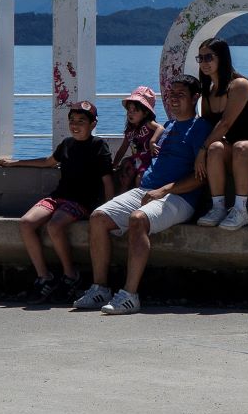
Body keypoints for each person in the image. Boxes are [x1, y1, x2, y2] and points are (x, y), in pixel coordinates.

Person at [76, 76, 212, 316]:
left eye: (181, 94)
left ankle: (129, 295)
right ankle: (100, 288)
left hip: (180, 197)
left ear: (195, 98)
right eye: (171, 94)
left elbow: (201, 177)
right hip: (145, 190)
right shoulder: (168, 126)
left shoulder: (200, 128)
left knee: (138, 219)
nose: (174, 99)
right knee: (98, 217)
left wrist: (165, 190)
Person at [0, 101, 115, 301]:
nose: (75, 125)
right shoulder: (67, 144)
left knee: (55, 225)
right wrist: (14, 163)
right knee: (26, 223)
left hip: (82, 202)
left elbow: (107, 180)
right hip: (58, 197)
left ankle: (71, 275)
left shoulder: (98, 146)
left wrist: (109, 210)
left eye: (81, 121)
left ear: (93, 124)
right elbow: (47, 162)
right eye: (72, 121)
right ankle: (45, 277)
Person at [192, 37, 248, 231]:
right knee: (216, 148)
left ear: (222, 58)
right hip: (235, 153)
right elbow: (210, 129)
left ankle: (241, 211)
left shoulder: (239, 85)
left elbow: (224, 125)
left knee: (240, 147)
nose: (204, 63)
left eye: (209, 57)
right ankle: (218, 208)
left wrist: (201, 151)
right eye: (200, 58)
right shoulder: (208, 93)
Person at [110, 84, 165, 192]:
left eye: (135, 110)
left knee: (140, 179)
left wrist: (153, 141)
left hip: (147, 159)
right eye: (129, 110)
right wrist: (115, 164)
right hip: (136, 159)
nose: (130, 113)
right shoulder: (129, 131)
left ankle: (140, 201)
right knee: (124, 176)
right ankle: (122, 197)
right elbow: (122, 149)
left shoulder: (148, 123)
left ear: (145, 113)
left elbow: (160, 128)